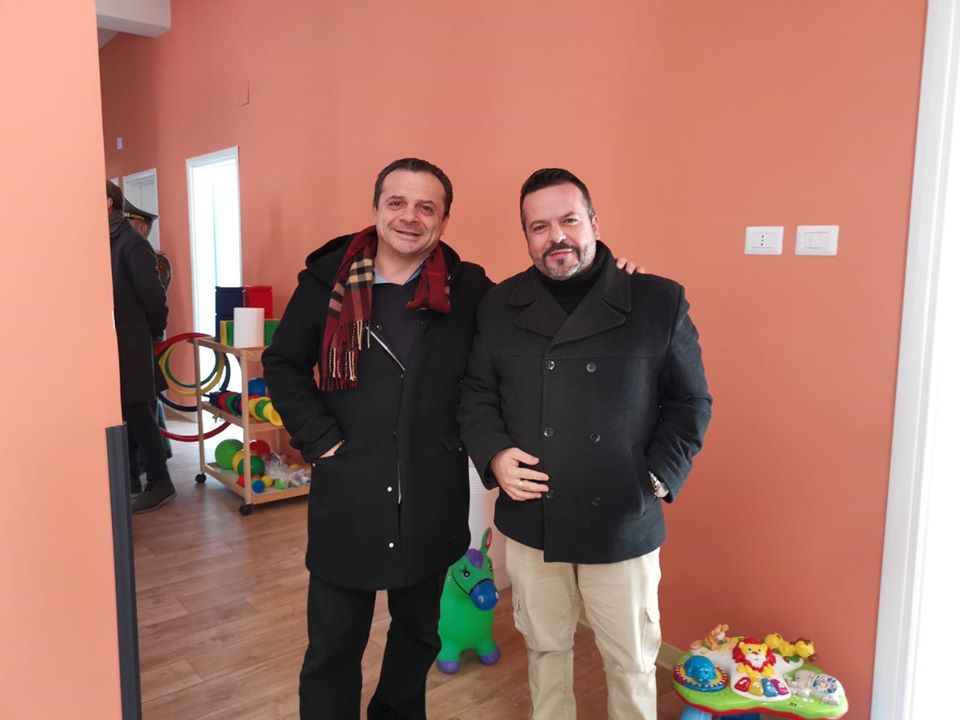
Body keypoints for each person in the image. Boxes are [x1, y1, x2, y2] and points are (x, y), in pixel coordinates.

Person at [458, 168, 712, 720]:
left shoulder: (656, 300)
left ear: (594, 222)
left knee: (631, 661)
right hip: (533, 514)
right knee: (546, 651)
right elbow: (476, 395)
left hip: (623, 514)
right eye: (539, 227)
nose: (557, 237)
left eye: (569, 220)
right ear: (526, 236)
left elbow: (691, 402)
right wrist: (495, 455)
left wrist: (655, 478)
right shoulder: (499, 306)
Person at [262, 158, 493, 720]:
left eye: (426, 207)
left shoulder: (469, 289)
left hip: (431, 496)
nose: (410, 217)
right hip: (350, 494)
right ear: (376, 208)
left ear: (443, 220)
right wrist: (321, 440)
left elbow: (526, 323)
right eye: (397, 203)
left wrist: (605, 274)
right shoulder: (326, 282)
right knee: (333, 648)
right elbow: (283, 364)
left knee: (418, 637)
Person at [106, 181, 176, 513]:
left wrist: (151, 332)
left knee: (137, 410)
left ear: (108, 202)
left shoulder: (131, 243)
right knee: (124, 410)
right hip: (118, 340)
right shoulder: (111, 240)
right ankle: (131, 477)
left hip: (133, 340)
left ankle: (160, 482)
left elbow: (153, 297)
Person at [123, 199, 174, 465]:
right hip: (138, 334)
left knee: (148, 397)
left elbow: (153, 299)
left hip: (149, 334)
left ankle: (153, 455)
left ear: (142, 228)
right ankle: (159, 450)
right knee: (147, 397)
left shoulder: (156, 259)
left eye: (130, 223)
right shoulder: (132, 253)